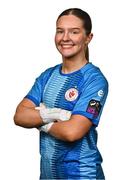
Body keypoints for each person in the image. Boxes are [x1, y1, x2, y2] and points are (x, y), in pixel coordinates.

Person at [14, 8, 108, 180]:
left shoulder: (94, 80)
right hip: (48, 175)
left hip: (82, 175)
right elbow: (19, 116)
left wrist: (39, 119)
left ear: (88, 38)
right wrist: (56, 114)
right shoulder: (47, 76)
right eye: (60, 31)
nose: (65, 37)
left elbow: (73, 132)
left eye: (74, 32)